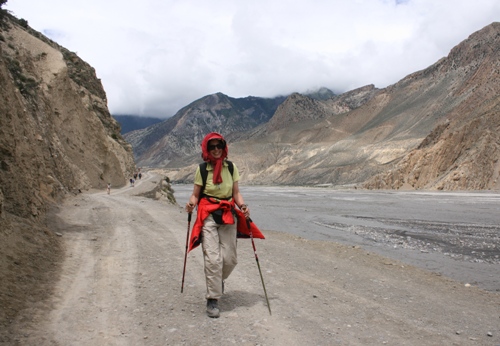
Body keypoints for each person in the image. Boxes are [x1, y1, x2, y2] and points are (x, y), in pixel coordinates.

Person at [185, 132, 264, 318]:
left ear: (224, 146)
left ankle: (217, 280)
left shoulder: (231, 168)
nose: (216, 149)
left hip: (228, 214)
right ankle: (212, 299)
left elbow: (236, 193)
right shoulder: (202, 169)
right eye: (211, 147)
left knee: (230, 259)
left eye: (219, 145)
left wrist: (243, 206)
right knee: (213, 259)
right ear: (206, 149)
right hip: (208, 215)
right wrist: (191, 205)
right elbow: (195, 194)